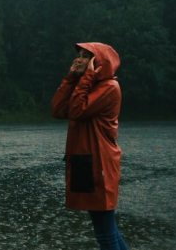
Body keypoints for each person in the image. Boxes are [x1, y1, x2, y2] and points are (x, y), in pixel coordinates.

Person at [51, 42, 129, 250]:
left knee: (105, 231)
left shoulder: (109, 87)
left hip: (99, 163)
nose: (79, 59)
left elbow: (77, 110)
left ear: (100, 62)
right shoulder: (87, 87)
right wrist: (70, 78)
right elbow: (58, 109)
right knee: (106, 227)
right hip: (85, 161)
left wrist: (85, 78)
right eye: (80, 55)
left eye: (87, 56)